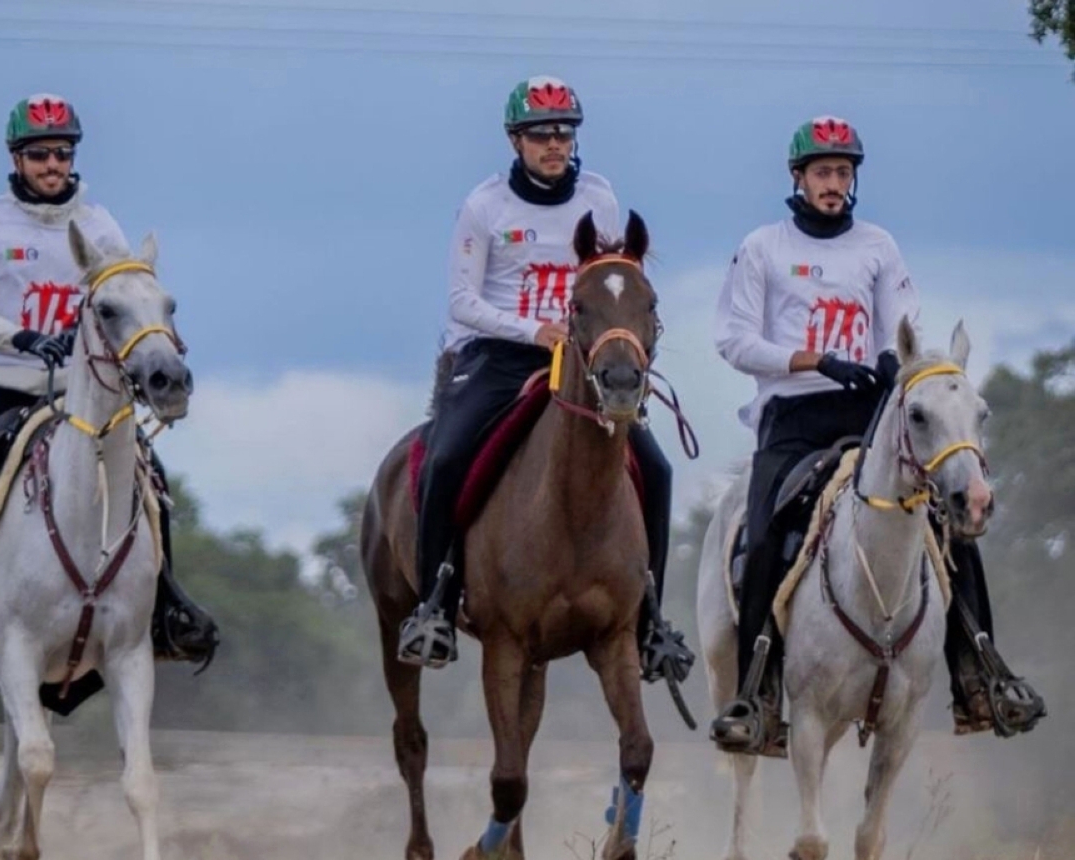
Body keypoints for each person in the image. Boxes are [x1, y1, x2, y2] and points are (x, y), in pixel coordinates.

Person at [709, 115, 1044, 750]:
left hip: (868, 407)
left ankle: (980, 678)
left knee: (945, 520)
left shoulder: (877, 246)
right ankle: (756, 695)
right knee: (765, 527)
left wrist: (895, 364)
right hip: (792, 413)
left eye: (843, 172)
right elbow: (733, 339)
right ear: (798, 178)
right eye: (822, 173)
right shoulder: (763, 248)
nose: (834, 184)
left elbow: (901, 321)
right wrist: (811, 361)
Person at [397, 75, 692, 684]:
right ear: (516, 140)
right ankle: (435, 605)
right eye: (540, 135)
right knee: (447, 456)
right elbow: (460, 301)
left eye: (563, 132)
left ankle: (651, 619)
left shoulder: (599, 197)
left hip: (584, 362)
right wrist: (533, 332)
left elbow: (612, 276)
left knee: (656, 469)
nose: (554, 144)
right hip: (500, 357)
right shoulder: (484, 207)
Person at [0, 93, 218, 665]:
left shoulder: (99, 224)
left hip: (78, 391)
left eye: (61, 153)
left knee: (150, 472)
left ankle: (164, 606)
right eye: (39, 155)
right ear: (16, 159)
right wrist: (23, 339)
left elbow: (127, 298)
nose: (52, 165)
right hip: (3, 382)